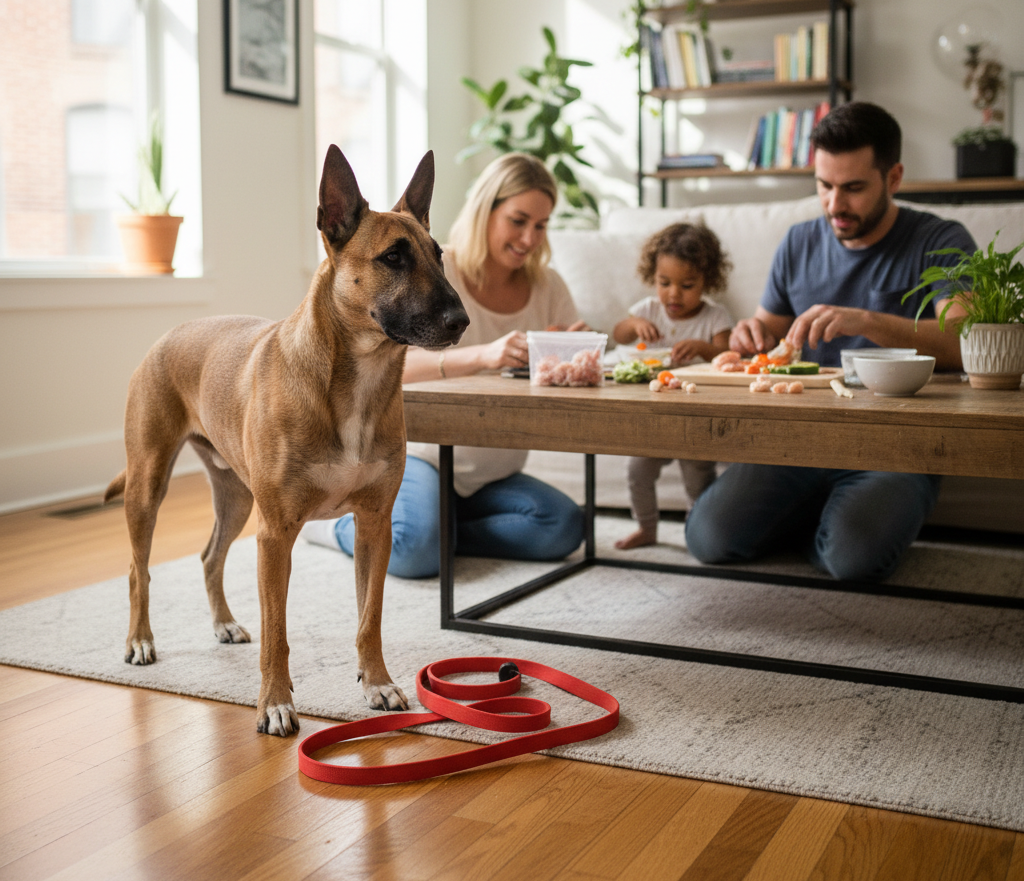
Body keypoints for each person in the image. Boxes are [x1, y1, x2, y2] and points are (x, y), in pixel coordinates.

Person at [684, 101, 977, 582]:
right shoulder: (798, 242)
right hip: (797, 442)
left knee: (854, 560)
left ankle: (828, 529)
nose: (835, 205)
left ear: (894, 177)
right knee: (707, 539)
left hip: (896, 449)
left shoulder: (940, 240)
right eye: (824, 186)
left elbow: (962, 341)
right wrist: (747, 337)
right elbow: (765, 336)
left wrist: (864, 319)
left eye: (853, 188)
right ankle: (824, 523)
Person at [302, 152, 586, 578]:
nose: (529, 238)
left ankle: (440, 532)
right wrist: (482, 354)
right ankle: (336, 527)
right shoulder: (430, 263)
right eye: (518, 220)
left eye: (541, 226)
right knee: (415, 552)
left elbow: (567, 358)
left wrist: (572, 353)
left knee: (562, 527)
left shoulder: (548, 285)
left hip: (492, 471)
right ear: (485, 211)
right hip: (426, 457)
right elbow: (393, 361)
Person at [611, 221, 733, 549]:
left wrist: (702, 348)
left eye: (688, 284)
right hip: (653, 417)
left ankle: (699, 530)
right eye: (664, 282)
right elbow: (618, 333)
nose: (674, 294)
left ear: (708, 281)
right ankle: (646, 528)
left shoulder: (715, 316)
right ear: (654, 277)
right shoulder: (649, 309)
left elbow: (728, 353)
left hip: (695, 419)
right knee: (638, 470)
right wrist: (635, 325)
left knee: (698, 480)